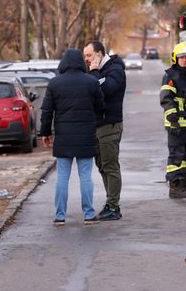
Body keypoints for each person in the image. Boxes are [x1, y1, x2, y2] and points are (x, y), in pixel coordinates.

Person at [40, 49, 104, 226]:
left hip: (63, 137)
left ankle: (60, 216)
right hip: (85, 136)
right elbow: (100, 107)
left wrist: (45, 133)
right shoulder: (91, 82)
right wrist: (94, 123)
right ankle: (89, 214)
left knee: (62, 178)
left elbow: (47, 111)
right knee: (85, 177)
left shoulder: (54, 84)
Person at [83, 41, 126, 221]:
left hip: (110, 124)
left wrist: (93, 72)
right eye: (85, 56)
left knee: (110, 165)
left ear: (100, 54)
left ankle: (113, 206)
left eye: (89, 55)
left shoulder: (115, 69)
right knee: (102, 166)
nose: (87, 60)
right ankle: (110, 202)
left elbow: (105, 89)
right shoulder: (97, 71)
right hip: (97, 125)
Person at [160, 42, 186, 198]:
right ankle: (174, 186)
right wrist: (172, 115)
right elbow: (165, 97)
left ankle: (184, 183)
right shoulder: (170, 75)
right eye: (181, 57)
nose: (184, 60)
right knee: (176, 155)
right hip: (176, 124)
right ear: (175, 58)